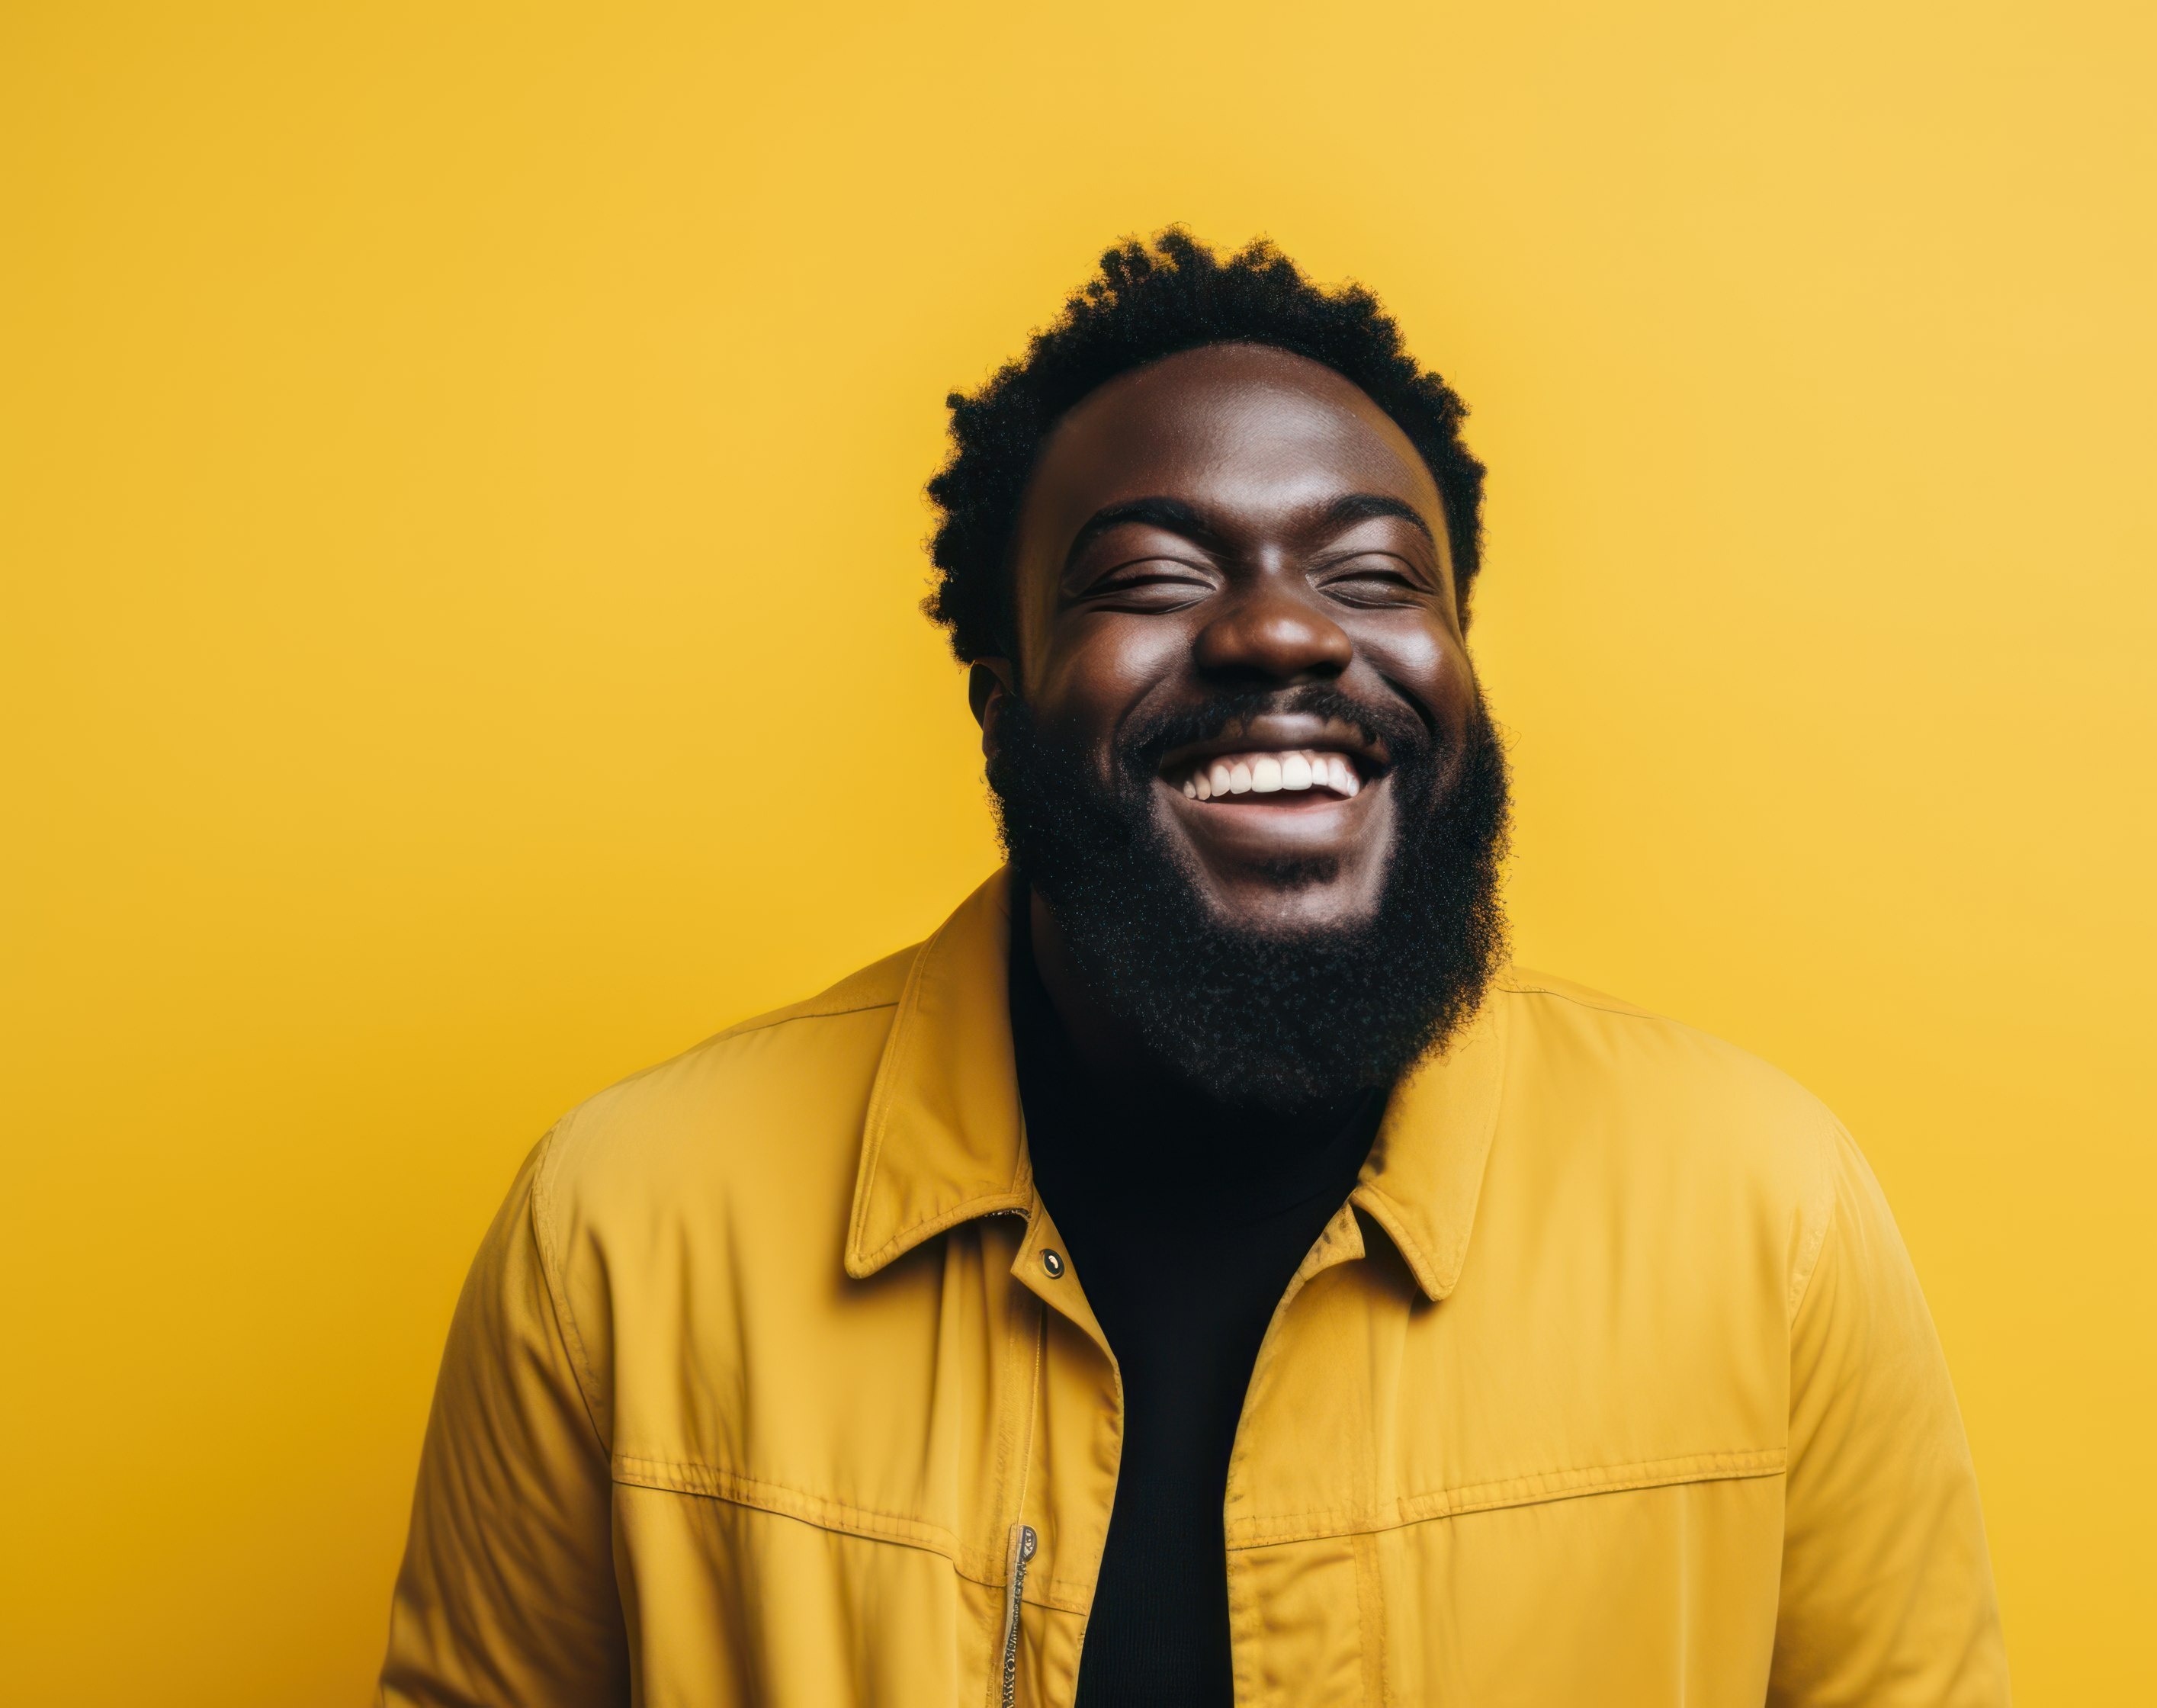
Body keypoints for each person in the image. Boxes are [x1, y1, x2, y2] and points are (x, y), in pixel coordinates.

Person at [380, 229, 2009, 1708]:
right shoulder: (628, 1228)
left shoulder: (1765, 1215)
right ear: (1005, 704)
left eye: (1375, 574)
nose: (1285, 633)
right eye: (1155, 575)